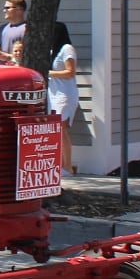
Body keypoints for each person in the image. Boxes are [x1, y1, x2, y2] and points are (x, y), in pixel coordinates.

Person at [48, 21, 79, 174]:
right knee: (54, 129)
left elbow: (70, 72)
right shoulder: (52, 50)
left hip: (65, 94)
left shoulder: (67, 49)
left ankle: (67, 166)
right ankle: (58, 165)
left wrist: (48, 73)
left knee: (62, 129)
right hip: (52, 94)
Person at [0, 0, 27, 64]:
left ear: (19, 9)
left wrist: (7, 57)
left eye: (7, 8)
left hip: (18, 73)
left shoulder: (27, 29)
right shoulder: (2, 29)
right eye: (4, 8)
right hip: (1, 72)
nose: (4, 11)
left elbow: (29, 57)